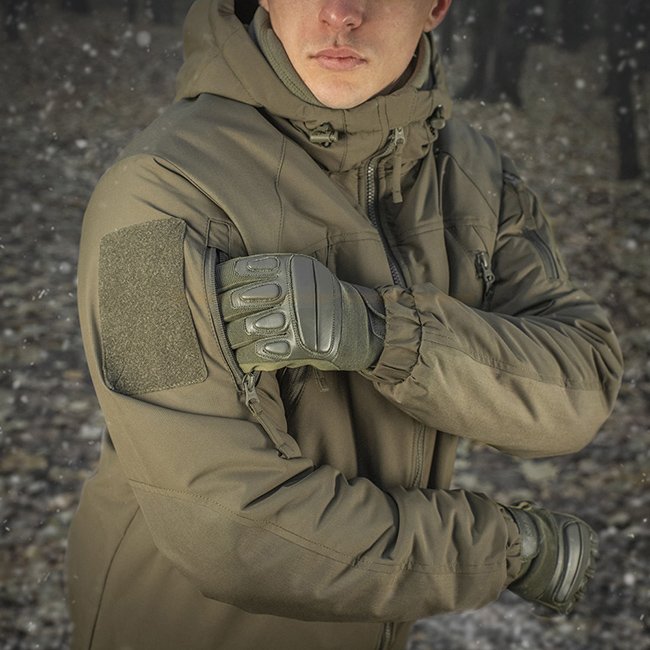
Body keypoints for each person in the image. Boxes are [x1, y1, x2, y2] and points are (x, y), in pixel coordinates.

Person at [67, 1, 623, 649]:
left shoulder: (475, 175)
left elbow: (578, 386)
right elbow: (228, 533)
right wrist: (507, 548)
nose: (340, 13)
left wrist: (384, 335)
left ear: (436, 6)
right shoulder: (153, 196)